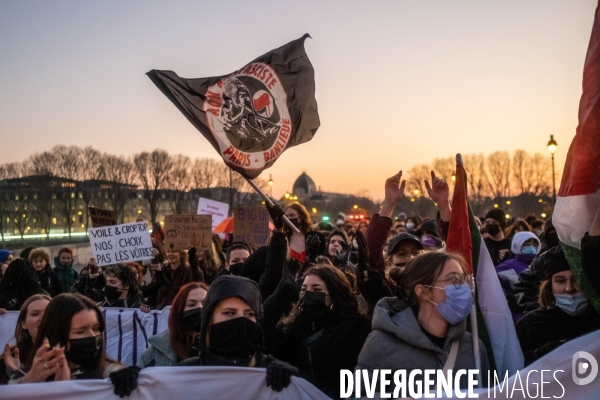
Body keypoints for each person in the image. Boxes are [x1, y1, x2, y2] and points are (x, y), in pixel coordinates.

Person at [356, 252, 489, 394]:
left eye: (463, 279)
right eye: (454, 279)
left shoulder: (473, 346)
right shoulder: (382, 343)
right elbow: (357, 395)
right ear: (424, 292)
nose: (463, 287)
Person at [264, 261, 371, 398]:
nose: (308, 294)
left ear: (334, 295)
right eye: (303, 289)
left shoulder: (354, 329)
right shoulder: (287, 330)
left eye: (317, 290)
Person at [179, 275, 299, 393]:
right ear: (209, 319)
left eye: (249, 314)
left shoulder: (272, 374)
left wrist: (295, 381)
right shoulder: (184, 374)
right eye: (230, 313)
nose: (241, 320)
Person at [14, 293, 140, 398]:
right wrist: (29, 383)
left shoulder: (112, 375)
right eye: (80, 331)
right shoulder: (31, 376)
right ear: (57, 335)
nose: (92, 336)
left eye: (96, 328)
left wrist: (137, 382)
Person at [515, 249, 600, 366]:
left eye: (576, 280)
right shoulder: (530, 324)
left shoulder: (597, 318)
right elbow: (511, 364)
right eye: (560, 281)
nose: (569, 288)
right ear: (549, 286)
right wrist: (539, 354)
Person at [138, 282, 209, 367]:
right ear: (179, 311)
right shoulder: (155, 352)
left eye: (205, 303)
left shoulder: (224, 349)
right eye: (191, 304)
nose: (200, 307)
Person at [1, 294, 51, 384]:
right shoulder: (11, 355)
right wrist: (16, 372)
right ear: (24, 323)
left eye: (49, 313)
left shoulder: (71, 351)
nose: (43, 318)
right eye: (35, 314)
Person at [283, 203, 326, 276]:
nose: (289, 219)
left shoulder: (317, 237)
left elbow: (322, 261)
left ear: (301, 217)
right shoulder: (283, 238)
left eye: (292, 215)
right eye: (286, 216)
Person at [495, 231, 540, 299]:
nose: (531, 245)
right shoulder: (506, 266)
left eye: (534, 243)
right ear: (518, 244)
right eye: (527, 243)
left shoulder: (540, 263)